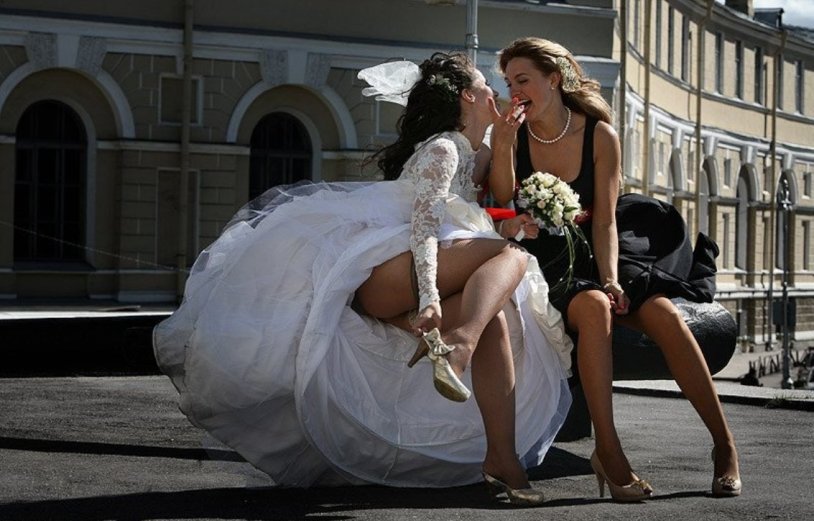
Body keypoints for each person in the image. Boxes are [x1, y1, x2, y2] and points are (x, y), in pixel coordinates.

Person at [153, 52, 573, 505]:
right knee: (510, 259)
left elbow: (475, 215)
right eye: (486, 84)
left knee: (497, 314)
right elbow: (425, 226)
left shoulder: (472, 152)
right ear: (468, 97)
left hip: (414, 277)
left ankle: (502, 458)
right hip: (392, 274)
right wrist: (430, 296)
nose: (496, 90)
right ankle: (460, 345)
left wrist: (506, 204)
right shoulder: (444, 147)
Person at [489, 37, 741, 501]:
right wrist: (503, 143)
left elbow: (606, 217)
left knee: (663, 313)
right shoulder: (512, 132)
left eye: (522, 80)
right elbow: (503, 198)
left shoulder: (599, 134)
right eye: (508, 82)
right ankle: (609, 450)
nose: (514, 90)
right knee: (593, 310)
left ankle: (724, 447)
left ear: (554, 79)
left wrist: (610, 278)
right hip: (543, 256)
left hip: (602, 246)